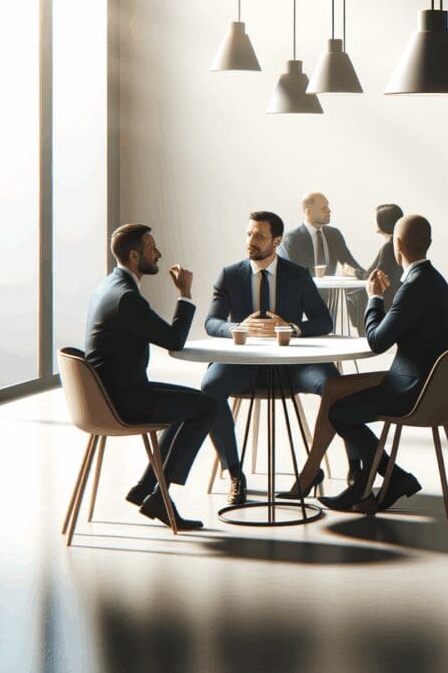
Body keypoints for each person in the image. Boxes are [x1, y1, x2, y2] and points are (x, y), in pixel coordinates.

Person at [279, 215, 448, 514]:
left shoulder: (414, 286)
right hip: (426, 379)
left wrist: (374, 297)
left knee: (338, 413)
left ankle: (391, 477)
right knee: (334, 387)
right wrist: (382, 300)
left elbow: (376, 341)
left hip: (413, 389)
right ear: (428, 243)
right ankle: (359, 480)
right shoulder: (432, 280)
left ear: (398, 245)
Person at [200, 211, 341, 506]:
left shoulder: (297, 274)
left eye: (259, 236)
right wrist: (237, 328)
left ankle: (336, 470)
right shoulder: (229, 275)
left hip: (293, 366)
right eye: (249, 234)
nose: (251, 241)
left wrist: (291, 329)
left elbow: (323, 321)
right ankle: (234, 473)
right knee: (210, 387)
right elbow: (211, 322)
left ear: (276, 241)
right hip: (243, 365)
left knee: (335, 386)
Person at [87, 224, 214, 530]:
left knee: (190, 406)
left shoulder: (109, 286)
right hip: (122, 402)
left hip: (106, 395)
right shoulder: (126, 298)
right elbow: (174, 340)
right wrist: (185, 293)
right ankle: (157, 496)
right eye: (151, 248)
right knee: (206, 406)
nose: (158, 254)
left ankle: (147, 488)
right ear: (135, 256)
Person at [278, 191, 368, 330]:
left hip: (331, 298)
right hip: (303, 304)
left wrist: (368, 276)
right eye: (323, 208)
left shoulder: (334, 234)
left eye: (328, 207)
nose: (329, 211)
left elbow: (349, 262)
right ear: (309, 212)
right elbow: (291, 275)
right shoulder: (292, 239)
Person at [365, 203, 406, 310]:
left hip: (386, 301)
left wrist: (353, 272)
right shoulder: (399, 245)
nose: (374, 222)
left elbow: (372, 275)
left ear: (384, 222)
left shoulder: (388, 247)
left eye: (376, 219)